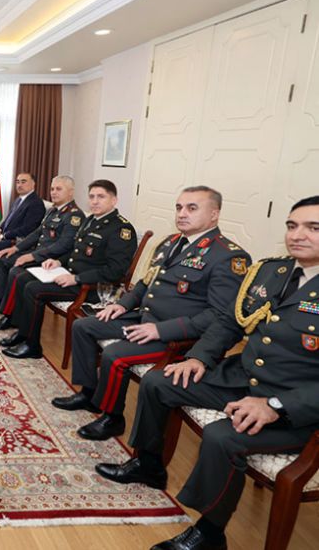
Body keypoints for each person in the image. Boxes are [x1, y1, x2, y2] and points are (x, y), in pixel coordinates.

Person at [96, 196, 319, 550]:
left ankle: (210, 534)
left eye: (313, 228)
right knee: (158, 381)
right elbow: (230, 321)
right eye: (292, 226)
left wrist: (275, 405)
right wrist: (199, 358)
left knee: (222, 436)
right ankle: (149, 465)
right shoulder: (272, 271)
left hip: (295, 406)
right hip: (241, 378)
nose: (297, 235)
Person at [53, 187, 250, 441]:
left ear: (214, 214)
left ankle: (112, 417)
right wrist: (123, 305)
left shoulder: (228, 256)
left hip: (176, 334)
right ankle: (88, 394)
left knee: (115, 354)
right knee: (84, 326)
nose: (182, 214)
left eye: (192, 208)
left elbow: (218, 316)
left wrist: (160, 330)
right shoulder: (171, 242)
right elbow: (146, 283)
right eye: (179, 207)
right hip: (145, 317)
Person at [1, 179, 137, 360]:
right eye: (92, 197)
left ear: (114, 200)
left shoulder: (121, 229)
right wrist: (58, 262)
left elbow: (115, 271)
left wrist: (77, 279)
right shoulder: (91, 220)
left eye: (101, 197)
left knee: (33, 289)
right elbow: (75, 250)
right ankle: (23, 333)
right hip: (71, 275)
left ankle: (32, 346)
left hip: (92, 287)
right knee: (24, 278)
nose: (95, 201)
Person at [0, 175, 84, 318]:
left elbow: (63, 245)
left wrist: (32, 256)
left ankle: (9, 314)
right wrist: (16, 248)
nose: (53, 192)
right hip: (38, 253)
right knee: (1, 258)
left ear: (71, 192)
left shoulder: (74, 216)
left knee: (15, 271)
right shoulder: (53, 210)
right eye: (52, 189)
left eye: (59, 189)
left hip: (51, 260)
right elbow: (37, 233)